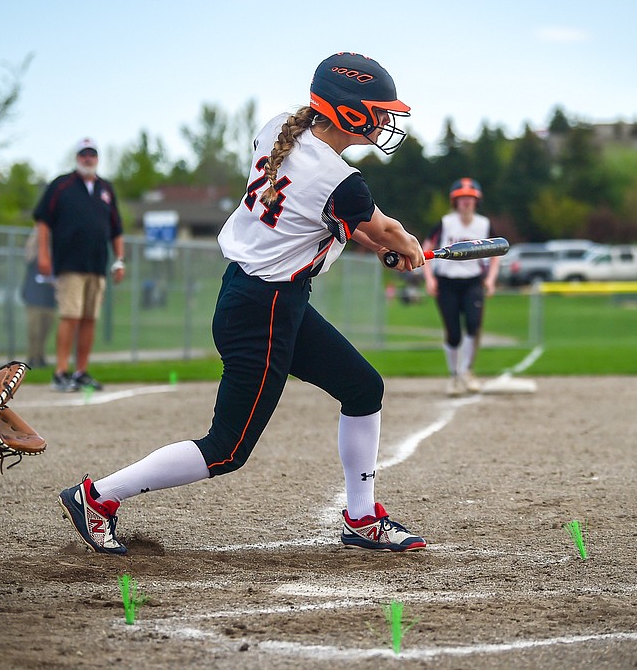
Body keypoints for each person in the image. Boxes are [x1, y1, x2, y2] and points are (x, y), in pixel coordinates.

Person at [59, 52, 429, 555]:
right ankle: (97, 496)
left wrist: (385, 245)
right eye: (378, 109)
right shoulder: (343, 182)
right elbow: (378, 226)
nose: (386, 119)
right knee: (226, 449)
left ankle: (361, 517)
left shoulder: (281, 129)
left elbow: (349, 224)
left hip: (265, 298)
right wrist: (404, 245)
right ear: (348, 112)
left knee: (363, 388)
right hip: (263, 312)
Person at [33, 138, 126, 393]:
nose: (88, 158)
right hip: (70, 265)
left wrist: (119, 260)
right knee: (70, 316)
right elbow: (43, 221)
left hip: (97, 265)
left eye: (92, 154)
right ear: (77, 157)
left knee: (89, 319)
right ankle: (60, 372)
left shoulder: (105, 189)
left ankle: (81, 371)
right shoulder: (62, 185)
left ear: (97, 157)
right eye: (84, 154)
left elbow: (116, 229)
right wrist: (43, 254)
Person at [424, 178, 500, 396]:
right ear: (455, 201)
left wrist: (491, 279)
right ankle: (454, 375)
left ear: (477, 201)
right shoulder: (446, 223)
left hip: (473, 281)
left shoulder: (484, 224)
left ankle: (467, 371)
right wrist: (429, 278)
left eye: (470, 198)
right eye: (462, 199)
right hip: (447, 282)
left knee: (474, 325)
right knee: (453, 333)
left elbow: (496, 254)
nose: (466, 202)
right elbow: (427, 249)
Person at [21, 225, 57, 368]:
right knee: (34, 329)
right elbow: (30, 249)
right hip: (34, 296)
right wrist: (41, 230)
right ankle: (32, 357)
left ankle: (40, 356)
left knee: (45, 328)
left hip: (49, 297)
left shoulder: (54, 255)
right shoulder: (34, 255)